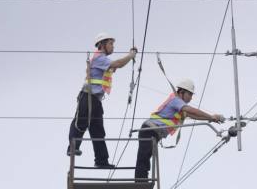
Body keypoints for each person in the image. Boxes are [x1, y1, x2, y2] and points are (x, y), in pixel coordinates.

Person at [67, 33, 138, 168]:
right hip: (88, 97)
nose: (113, 47)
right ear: (102, 45)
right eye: (111, 43)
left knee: (98, 131)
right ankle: (72, 147)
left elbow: (116, 66)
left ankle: (101, 161)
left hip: (95, 99)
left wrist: (130, 55)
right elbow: (118, 63)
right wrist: (130, 56)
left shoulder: (102, 60)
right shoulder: (100, 57)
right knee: (80, 123)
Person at [135, 79, 224, 180]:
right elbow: (191, 110)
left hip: (153, 132)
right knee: (144, 157)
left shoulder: (179, 106)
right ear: (181, 92)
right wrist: (211, 117)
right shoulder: (176, 100)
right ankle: (140, 183)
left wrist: (211, 117)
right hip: (149, 130)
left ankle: (142, 181)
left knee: (145, 157)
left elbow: (194, 115)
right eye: (189, 94)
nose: (191, 98)